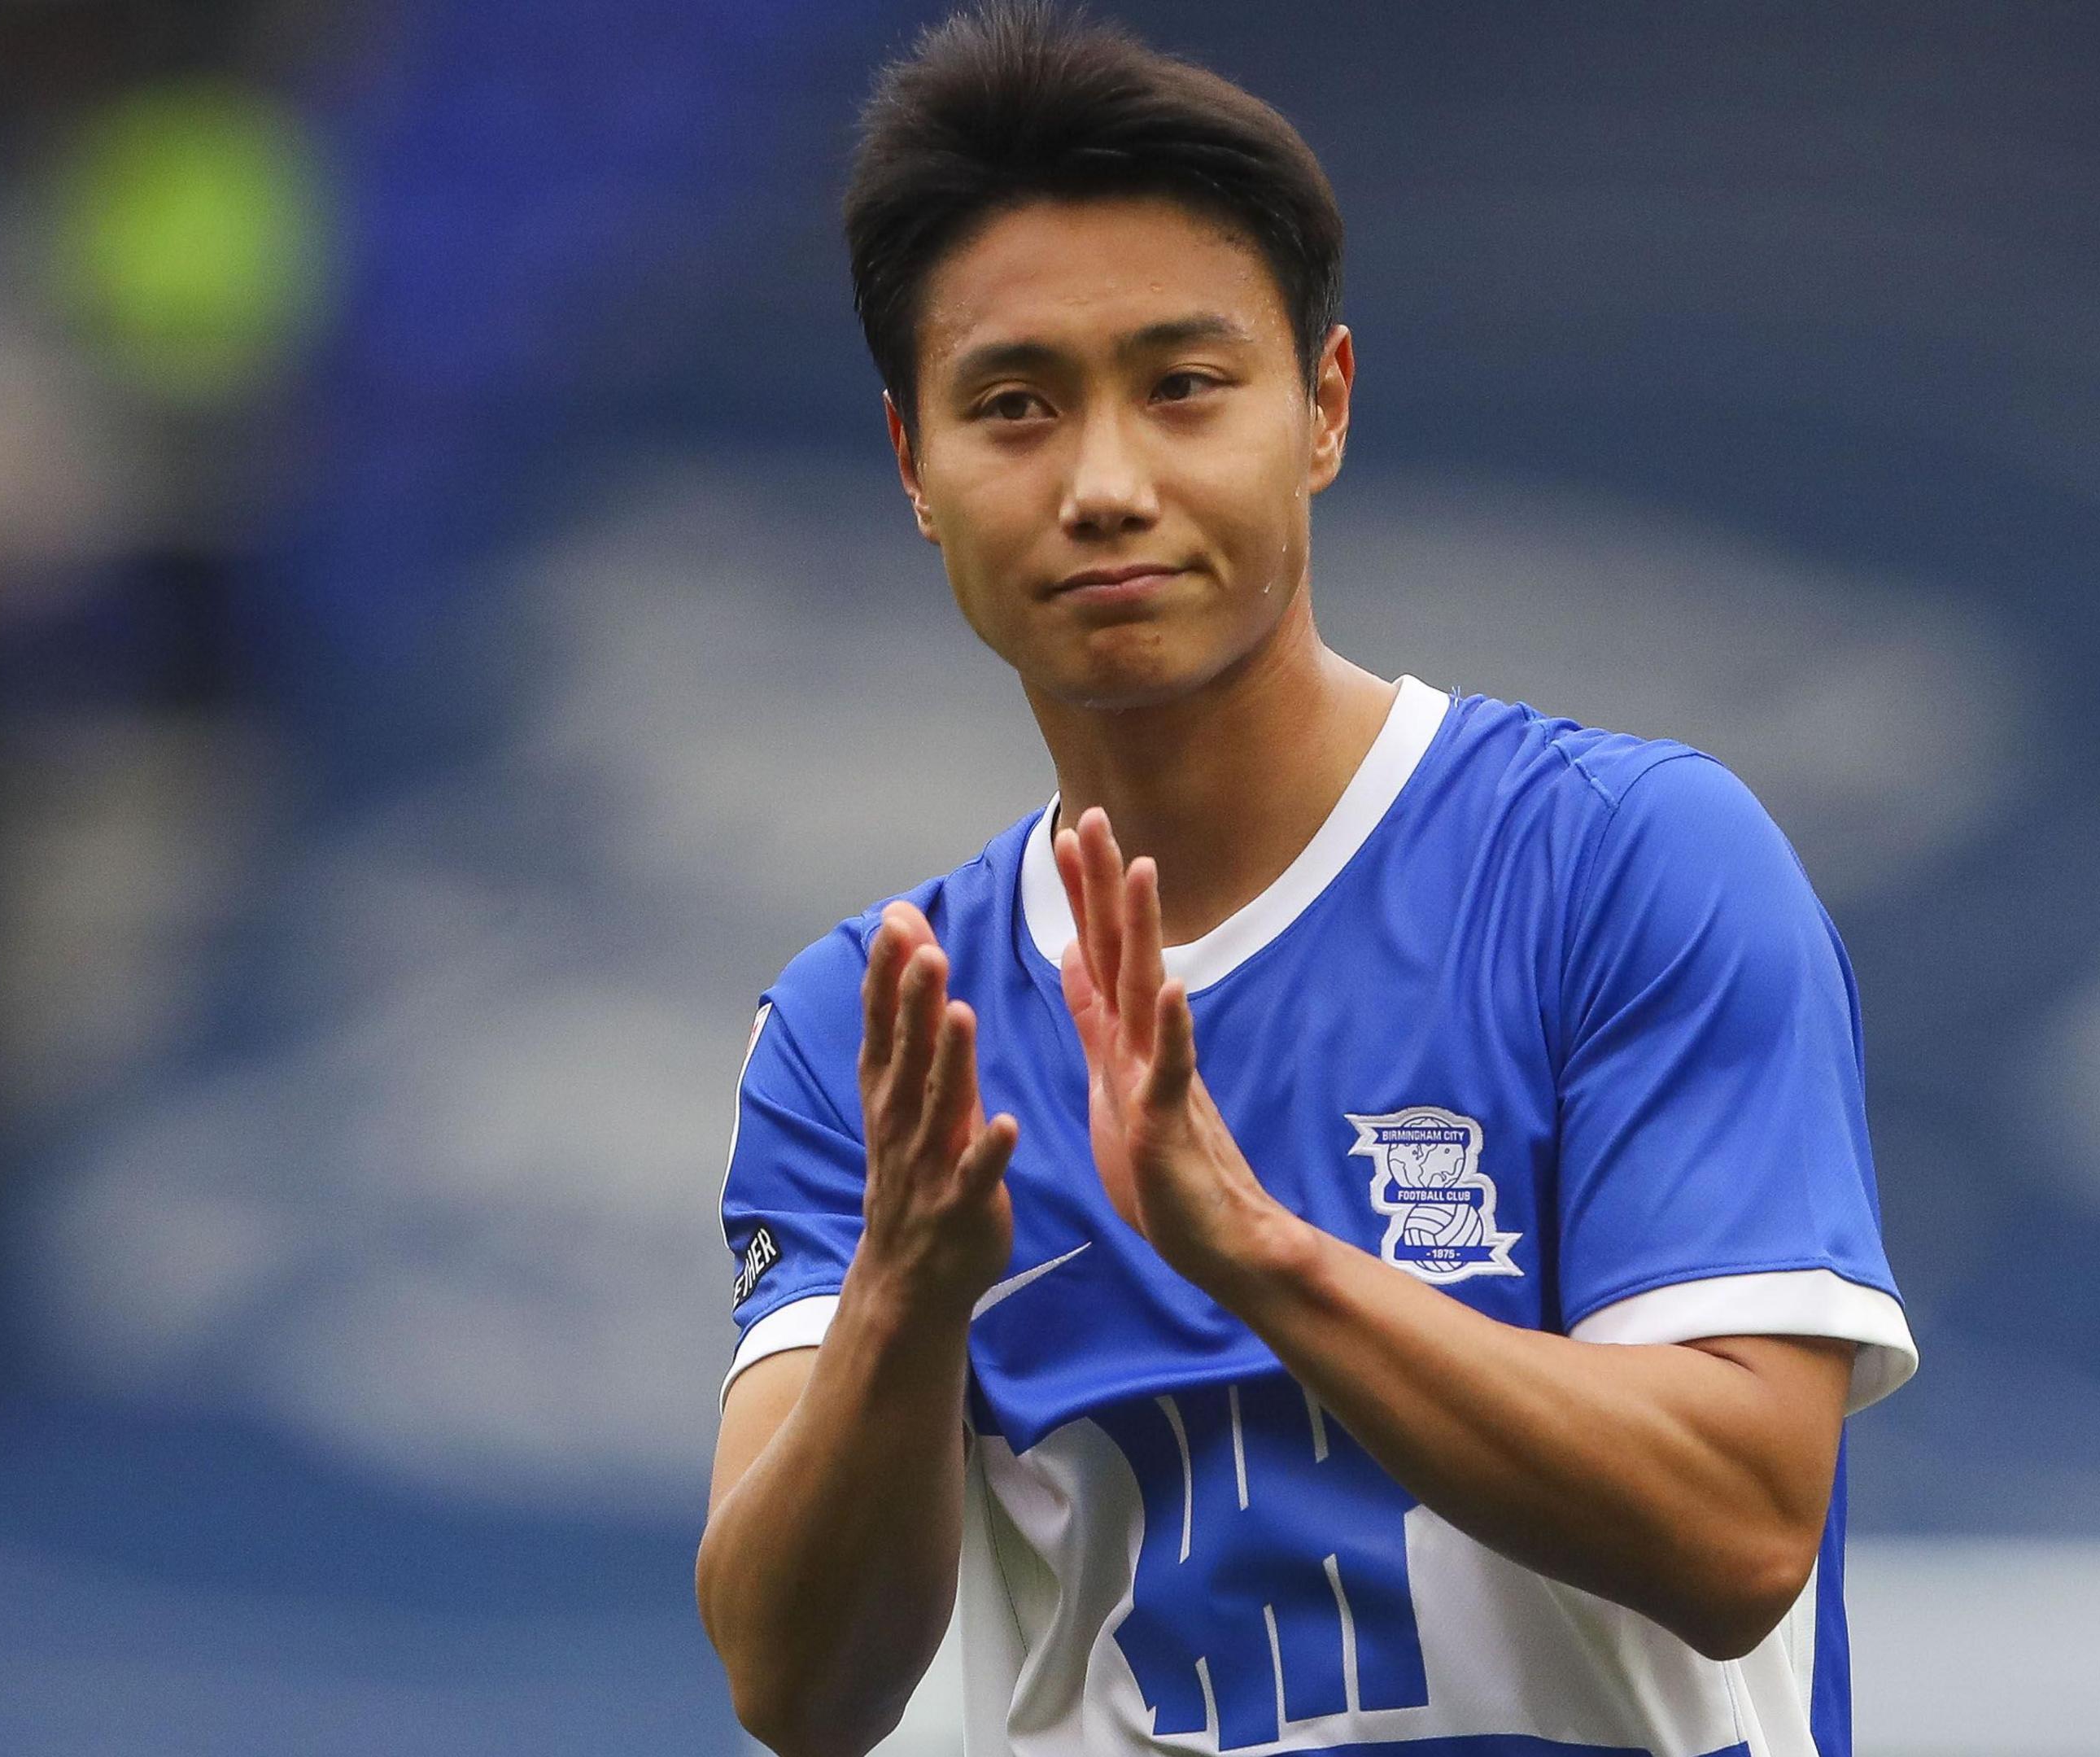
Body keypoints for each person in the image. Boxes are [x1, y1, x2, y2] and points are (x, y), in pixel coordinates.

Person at [694, 7, 1917, 1755]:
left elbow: (1740, 1533)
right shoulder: (873, 1032)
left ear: (1322, 408)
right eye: (1016, 407)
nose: (1107, 484)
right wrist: (902, 1298)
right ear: (915, 468)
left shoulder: (1622, 864)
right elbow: (797, 1693)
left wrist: (1259, 1255)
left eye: (1184, 388)